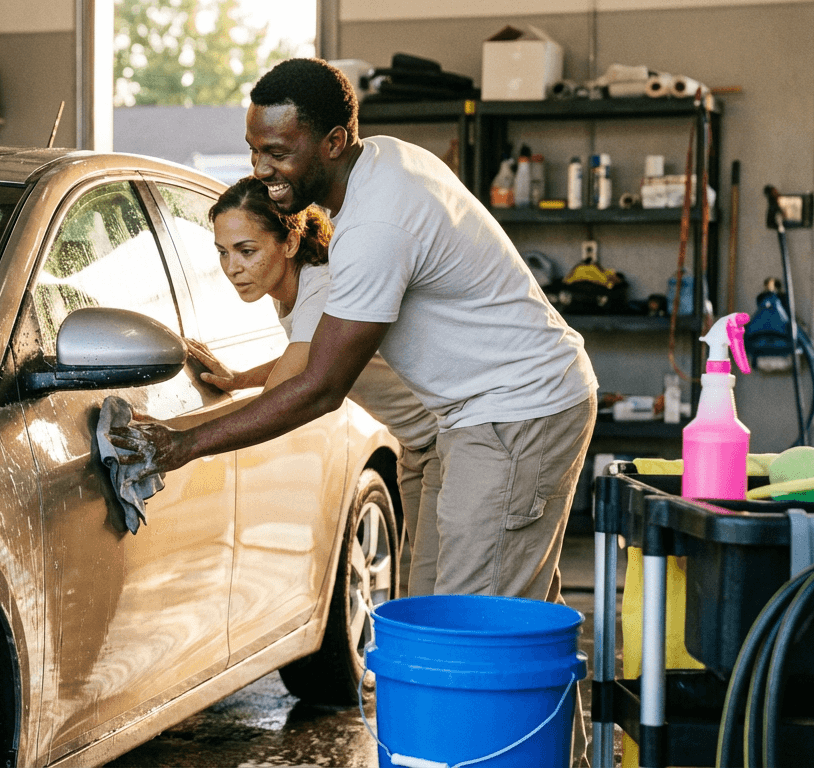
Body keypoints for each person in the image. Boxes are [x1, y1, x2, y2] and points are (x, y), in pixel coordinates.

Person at [108, 56, 597, 606]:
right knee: (436, 607)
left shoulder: (374, 225)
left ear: (335, 142)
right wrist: (240, 380)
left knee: (472, 623)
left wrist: (181, 443)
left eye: (278, 153)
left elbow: (320, 386)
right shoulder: (381, 163)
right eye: (254, 150)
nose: (261, 169)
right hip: (467, 418)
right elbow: (322, 349)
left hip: (517, 410)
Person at [187, 175, 441, 596]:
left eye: (247, 251)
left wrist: (178, 441)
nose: (232, 267)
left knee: (447, 593)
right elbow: (313, 351)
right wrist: (240, 379)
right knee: (435, 587)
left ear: (289, 243)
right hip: (419, 445)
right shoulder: (287, 287)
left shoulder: (321, 287)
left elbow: (280, 399)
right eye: (223, 252)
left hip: (452, 439)